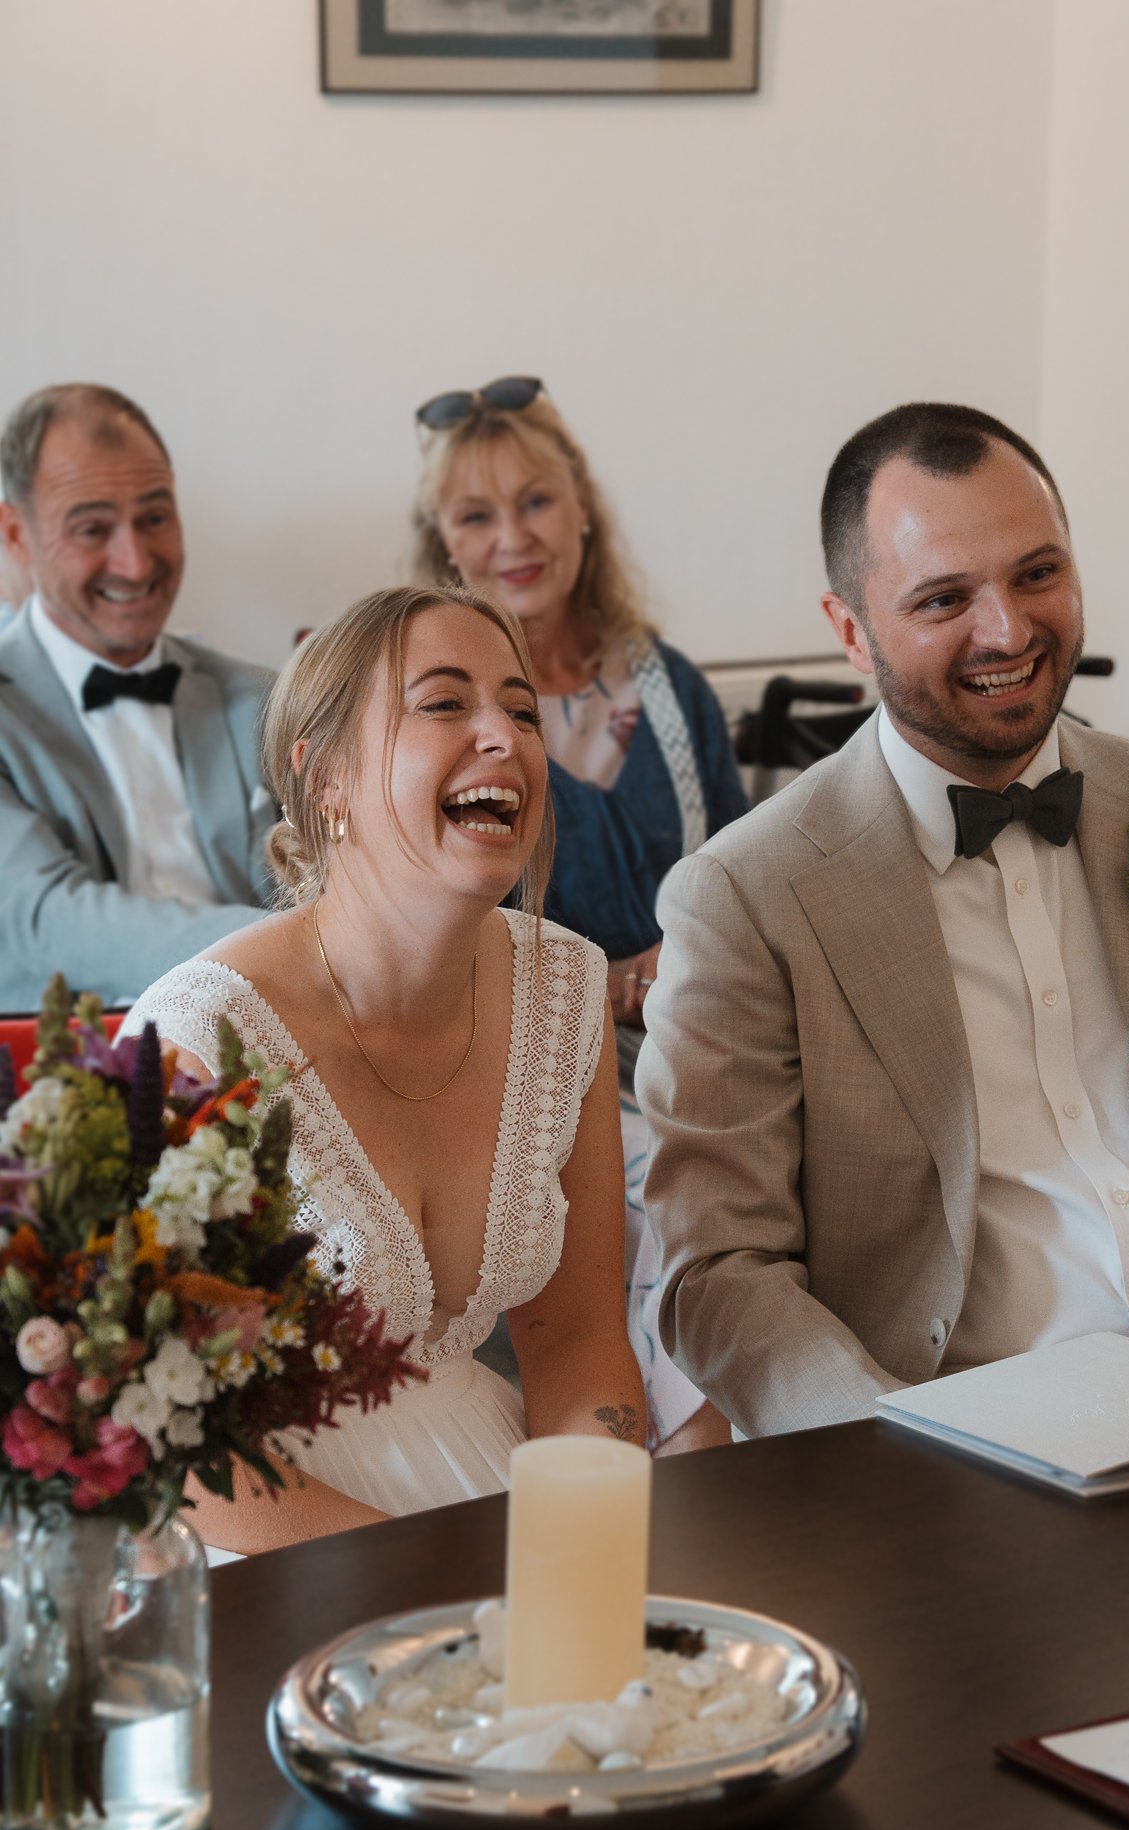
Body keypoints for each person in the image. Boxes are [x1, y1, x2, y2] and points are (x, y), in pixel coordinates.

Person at [637, 402, 1129, 1437]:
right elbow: (718, 1274)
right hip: (960, 1451)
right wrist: (895, 1456)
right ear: (847, 629)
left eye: (1036, 573)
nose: (1006, 629)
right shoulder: (746, 894)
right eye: (944, 597)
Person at [122, 583, 647, 1554]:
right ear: (324, 776)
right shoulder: (200, 1038)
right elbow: (163, 1428)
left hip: (480, 1483)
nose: (504, 736)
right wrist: (410, 1577)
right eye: (445, 703)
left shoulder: (563, 986)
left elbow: (576, 1344)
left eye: (522, 710)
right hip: (260, 1536)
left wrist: (587, 1531)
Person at [413, 376, 744, 1450]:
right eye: (476, 514)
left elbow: (746, 880)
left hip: (704, 1039)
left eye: (538, 500)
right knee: (673, 1194)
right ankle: (699, 1468)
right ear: (440, 542)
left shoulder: (671, 687)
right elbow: (412, 929)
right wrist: (590, 984)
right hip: (528, 1063)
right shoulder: (425, 712)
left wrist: (690, 963)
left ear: (584, 508)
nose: (514, 536)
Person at [0, 383, 275, 1013]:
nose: (135, 561)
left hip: (269, 1053)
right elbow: (47, 919)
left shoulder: (264, 696)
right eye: (93, 529)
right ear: (16, 535)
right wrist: (308, 945)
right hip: (59, 1080)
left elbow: (326, 875)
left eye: (155, 518)